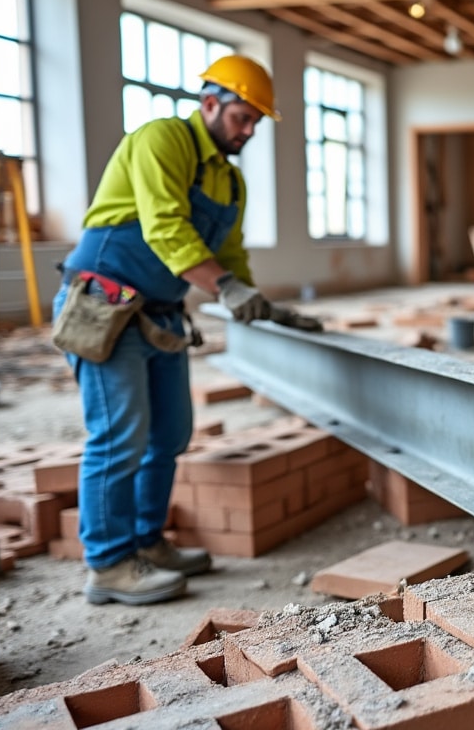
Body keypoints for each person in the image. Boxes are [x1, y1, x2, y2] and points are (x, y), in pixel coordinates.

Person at [52, 55, 320, 605]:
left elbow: (230, 256)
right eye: (243, 118)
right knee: (119, 436)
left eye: (256, 122)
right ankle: (108, 564)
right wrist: (225, 288)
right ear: (210, 104)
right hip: (105, 305)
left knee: (169, 434)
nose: (248, 132)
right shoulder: (163, 140)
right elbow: (165, 228)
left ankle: (146, 542)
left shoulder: (231, 181)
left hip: (161, 313)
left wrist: (258, 302)